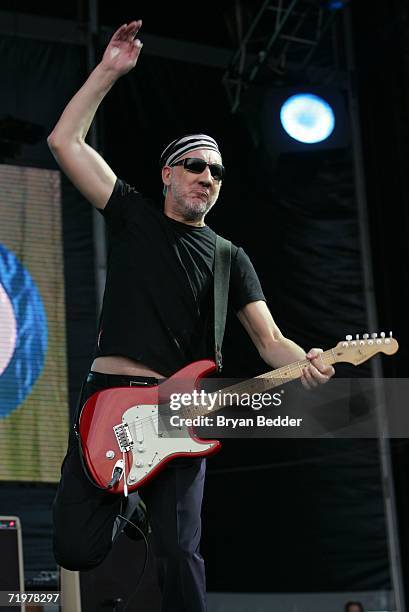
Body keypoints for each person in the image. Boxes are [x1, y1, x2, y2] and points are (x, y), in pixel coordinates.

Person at [48, 19, 335, 612]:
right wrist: (110, 71)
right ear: (168, 174)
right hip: (109, 396)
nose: (208, 179)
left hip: (180, 410)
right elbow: (64, 143)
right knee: (75, 547)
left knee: (182, 551)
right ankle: (126, 512)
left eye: (218, 173)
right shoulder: (132, 215)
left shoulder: (231, 257)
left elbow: (270, 339)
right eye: (197, 167)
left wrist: (308, 361)